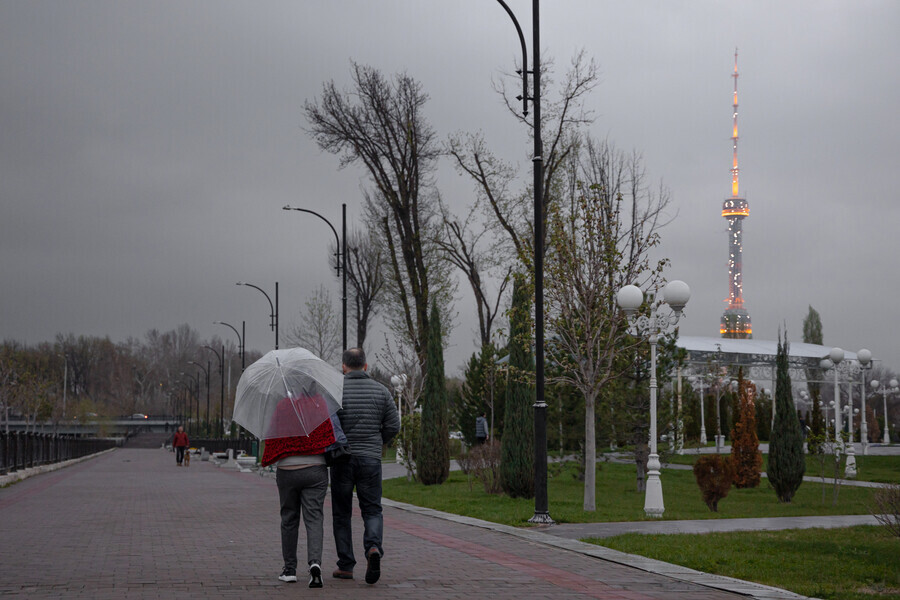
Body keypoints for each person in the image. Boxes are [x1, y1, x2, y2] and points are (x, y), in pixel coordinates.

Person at [331, 348, 399, 585]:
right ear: (366, 366)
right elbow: (394, 424)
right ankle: (372, 548)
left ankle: (346, 565)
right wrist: (378, 441)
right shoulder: (382, 391)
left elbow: (327, 425)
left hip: (342, 459)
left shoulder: (335, 391)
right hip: (370, 459)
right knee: (372, 509)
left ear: (344, 366)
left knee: (342, 513)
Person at [261, 394, 339, 589]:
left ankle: (289, 570)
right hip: (315, 468)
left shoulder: (282, 406)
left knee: (289, 518)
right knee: (314, 518)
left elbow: (273, 435)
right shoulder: (319, 404)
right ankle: (315, 564)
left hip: (287, 469)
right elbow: (329, 435)